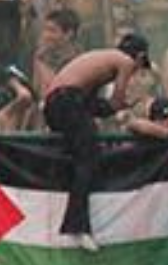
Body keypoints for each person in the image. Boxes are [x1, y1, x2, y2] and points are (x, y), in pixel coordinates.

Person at [42, 33, 151, 251]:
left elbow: (95, 105)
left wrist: (111, 107)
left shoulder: (102, 57)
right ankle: (77, 226)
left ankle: (70, 216)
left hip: (57, 104)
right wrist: (126, 105)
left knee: (77, 156)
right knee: (88, 157)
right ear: (139, 57)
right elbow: (116, 100)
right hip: (67, 101)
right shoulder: (125, 61)